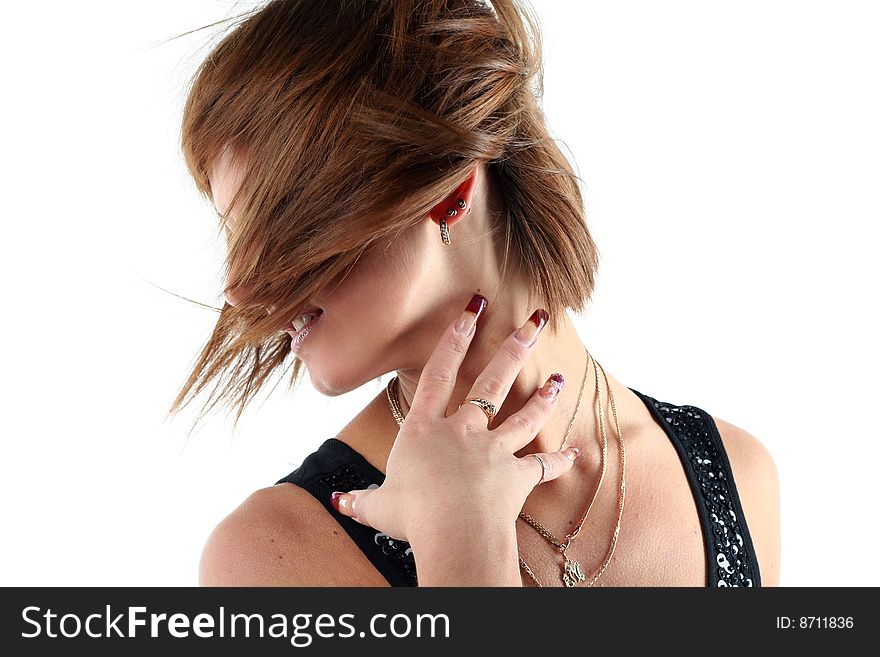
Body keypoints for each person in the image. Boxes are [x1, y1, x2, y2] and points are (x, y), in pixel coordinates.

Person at [170, 0, 780, 587]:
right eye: (235, 237)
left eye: (277, 226)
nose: (240, 290)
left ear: (449, 189)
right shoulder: (273, 558)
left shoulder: (737, 479)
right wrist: (461, 547)